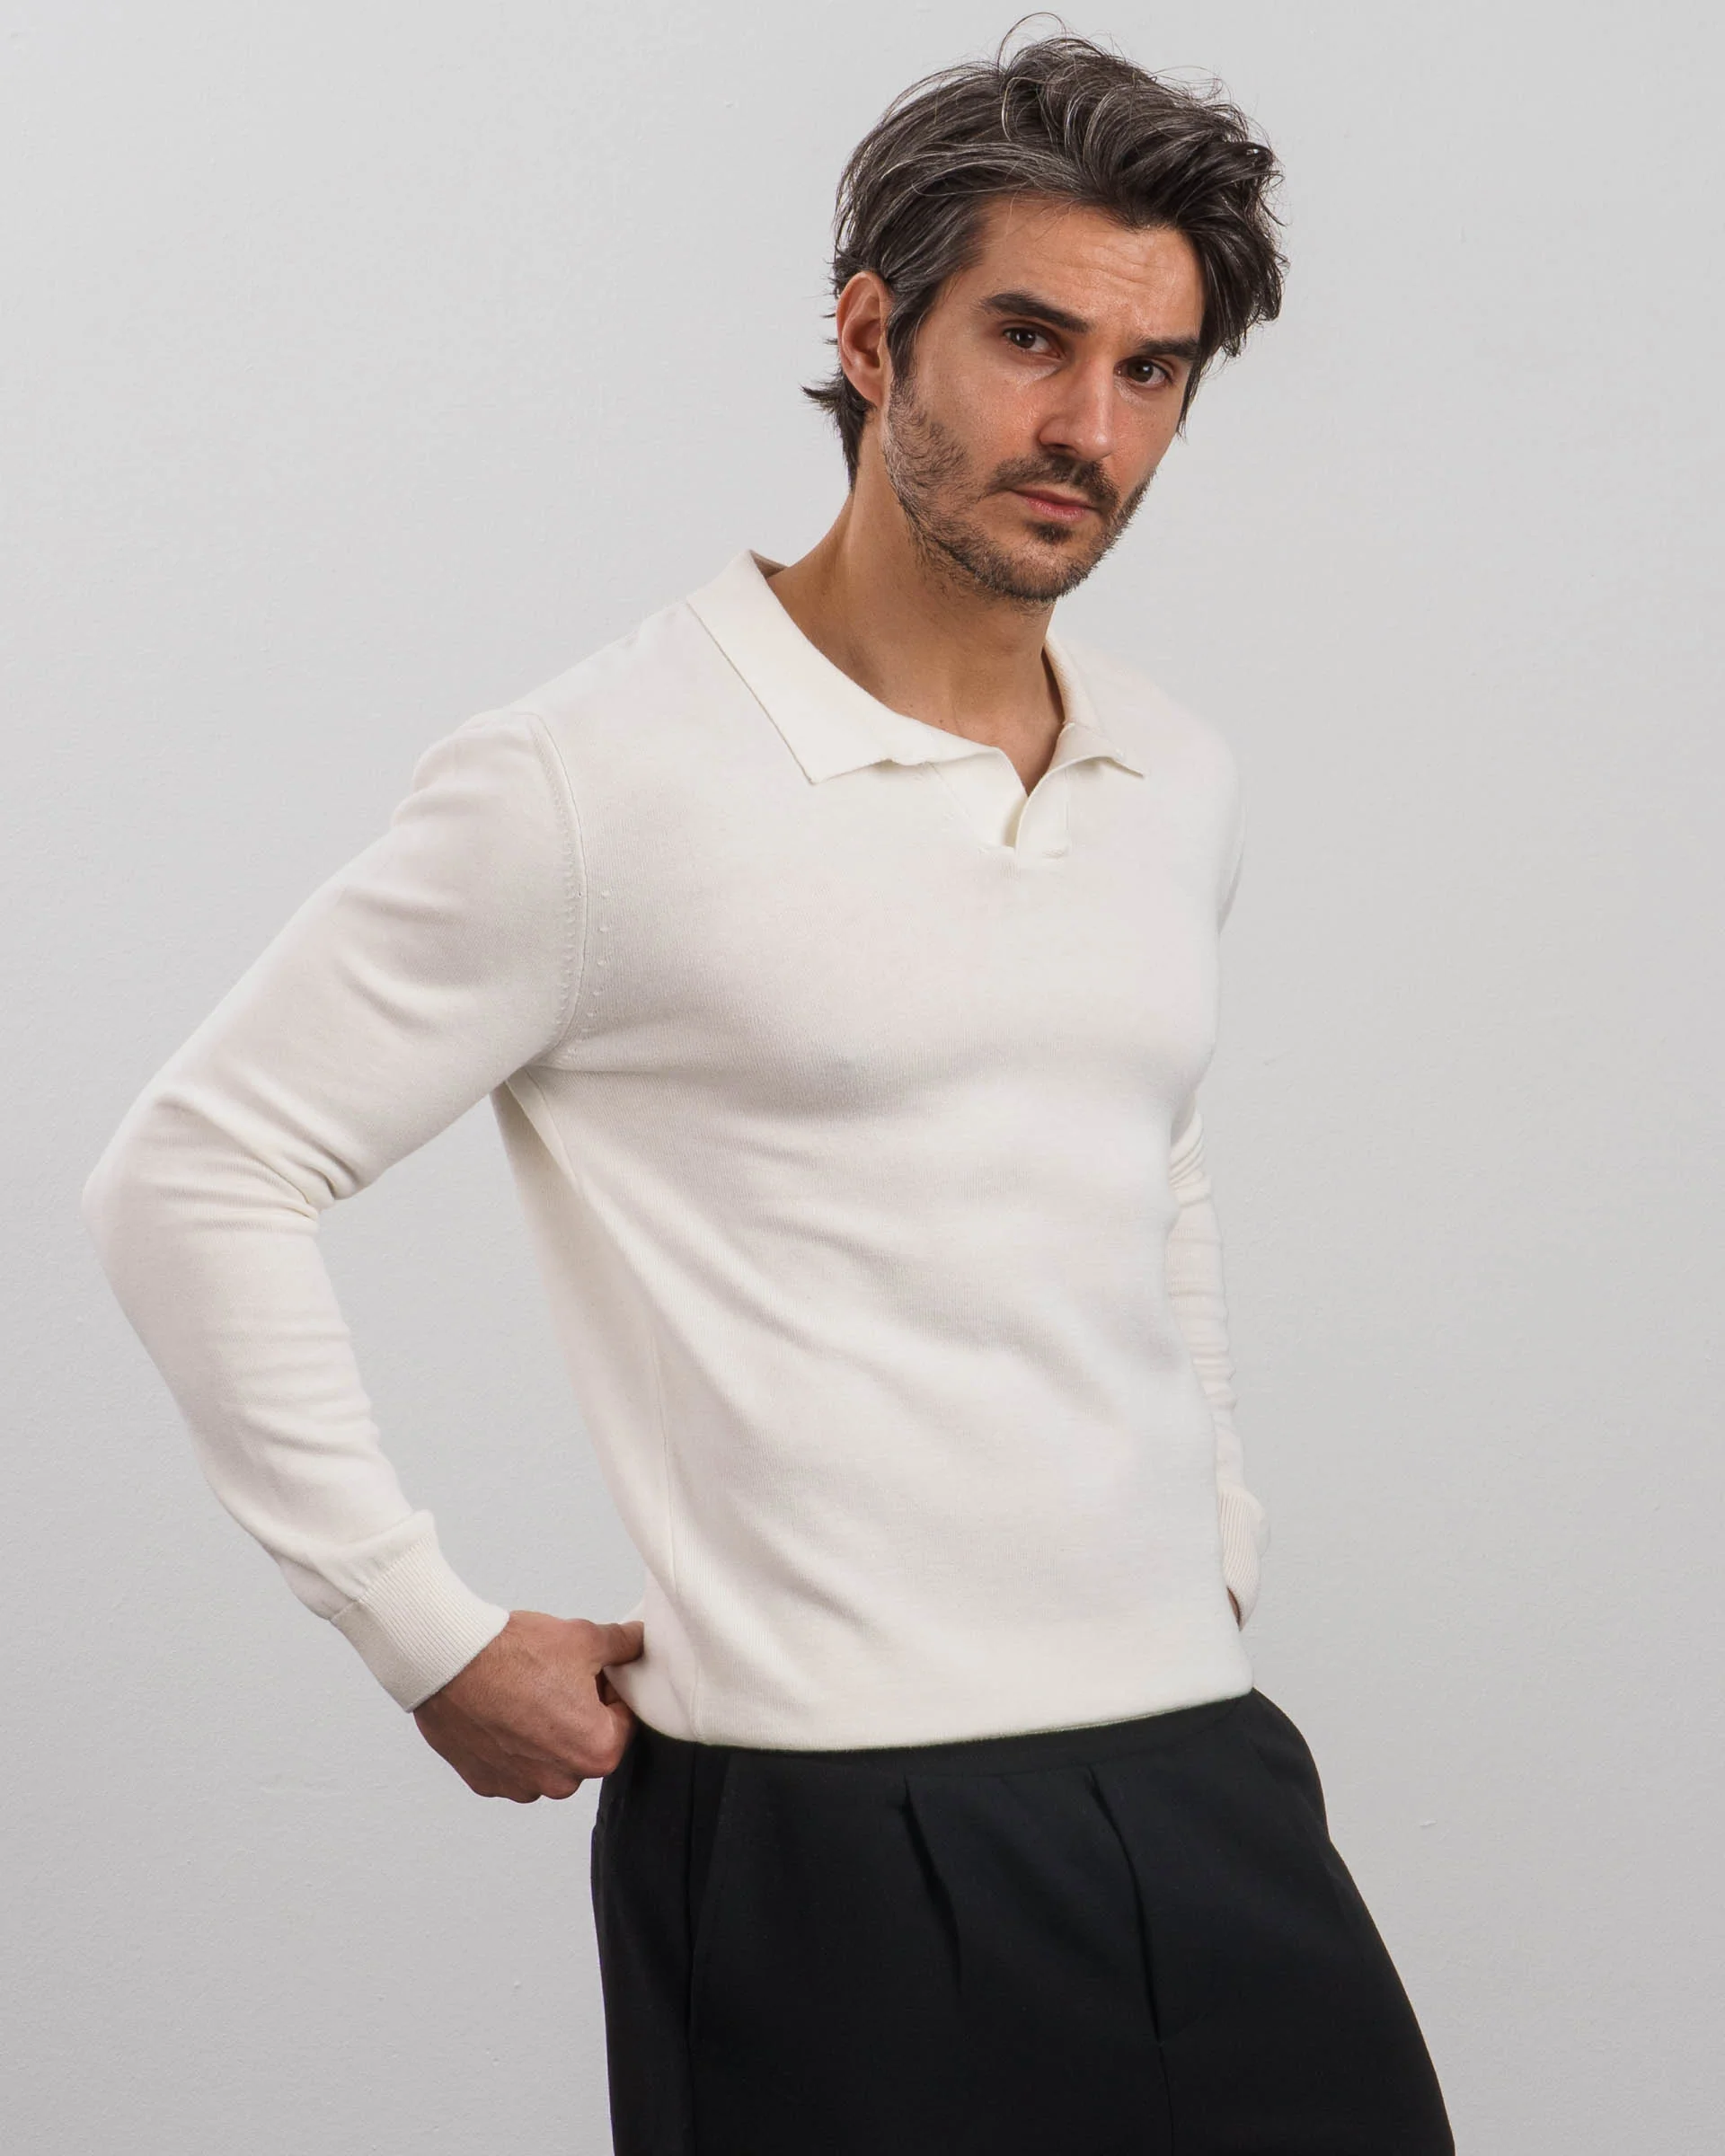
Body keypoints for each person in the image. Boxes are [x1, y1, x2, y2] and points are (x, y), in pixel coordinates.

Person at [81, 28, 1455, 2155]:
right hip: (826, 1833)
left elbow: (1141, 1154)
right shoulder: (597, 781)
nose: (1090, 430)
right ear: (872, 335)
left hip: (1206, 1776)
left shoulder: (1174, 774)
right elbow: (196, 1166)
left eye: (1153, 370)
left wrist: (1216, 1534)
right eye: (1030, 340)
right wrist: (420, 1627)